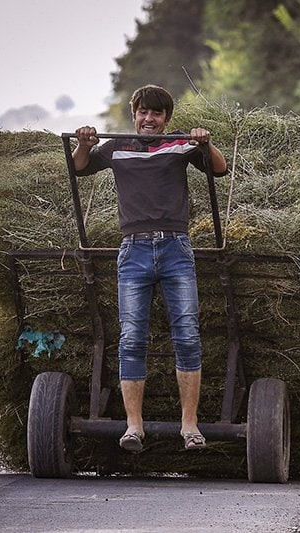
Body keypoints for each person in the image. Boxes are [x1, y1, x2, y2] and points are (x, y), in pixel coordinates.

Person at [72, 85, 228, 452]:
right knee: (132, 339)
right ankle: (133, 427)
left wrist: (205, 142)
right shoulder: (116, 147)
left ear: (166, 119)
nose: (149, 120)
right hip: (134, 252)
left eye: (156, 114)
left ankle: (190, 426)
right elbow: (79, 167)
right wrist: (83, 142)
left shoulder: (179, 144)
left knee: (187, 336)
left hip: (176, 248)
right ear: (134, 115)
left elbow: (219, 169)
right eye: (143, 112)